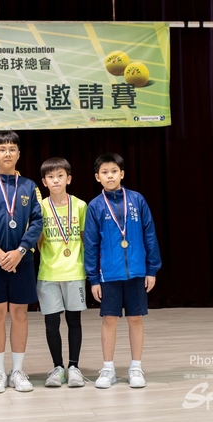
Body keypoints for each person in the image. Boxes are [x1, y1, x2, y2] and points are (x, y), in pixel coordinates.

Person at [0, 130, 43, 393]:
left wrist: (20, 251)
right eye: (2, 149)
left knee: (20, 314)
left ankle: (17, 371)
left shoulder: (30, 186)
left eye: (12, 149)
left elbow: (37, 221)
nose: (7, 153)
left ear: (19, 154)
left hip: (22, 260)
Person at [84, 152, 161, 389]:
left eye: (114, 171)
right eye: (105, 172)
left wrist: (151, 269)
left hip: (137, 272)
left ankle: (136, 366)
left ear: (122, 174)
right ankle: (108, 368)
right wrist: (93, 278)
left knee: (135, 318)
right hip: (108, 274)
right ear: (97, 177)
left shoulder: (137, 200)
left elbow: (150, 235)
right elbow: (91, 244)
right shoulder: (95, 206)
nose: (110, 176)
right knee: (110, 319)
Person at [36, 157, 89, 388]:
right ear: (44, 182)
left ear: (69, 178)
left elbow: (86, 239)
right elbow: (38, 241)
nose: (55, 180)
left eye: (60, 176)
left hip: (75, 272)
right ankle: (57, 367)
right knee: (51, 323)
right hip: (48, 273)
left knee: (74, 321)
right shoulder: (40, 207)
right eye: (50, 177)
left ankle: (74, 367)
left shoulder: (80, 206)